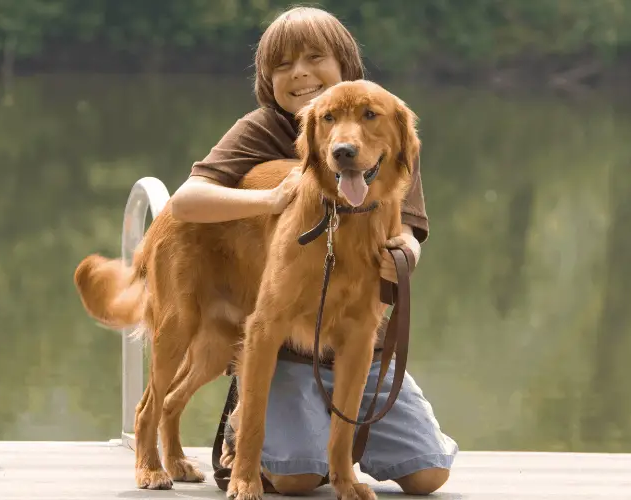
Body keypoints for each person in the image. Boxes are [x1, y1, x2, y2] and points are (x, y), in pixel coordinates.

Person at [170, 6, 458, 496]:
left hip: (360, 350)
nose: (300, 72)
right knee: (297, 479)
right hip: (286, 350)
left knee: (429, 474)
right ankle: (250, 439)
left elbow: (408, 232)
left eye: (314, 57)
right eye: (282, 65)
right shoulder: (262, 129)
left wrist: (405, 251)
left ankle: (334, 444)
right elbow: (184, 201)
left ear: (346, 63)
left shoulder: (389, 139)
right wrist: (270, 198)